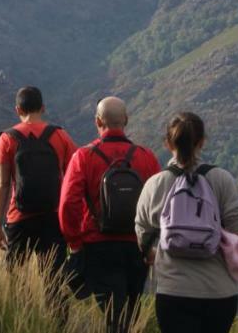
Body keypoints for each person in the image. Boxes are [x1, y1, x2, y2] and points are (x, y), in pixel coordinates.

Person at [134, 112, 238, 333]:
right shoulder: (221, 179)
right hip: (219, 293)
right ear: (202, 142)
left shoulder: (155, 184)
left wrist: (155, 256)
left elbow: (143, 236)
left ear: (167, 143)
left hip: (173, 291)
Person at [59, 96, 162, 333]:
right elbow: (159, 204)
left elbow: (68, 203)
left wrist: (74, 243)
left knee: (113, 316)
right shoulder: (146, 157)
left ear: (97, 121)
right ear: (126, 120)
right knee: (131, 313)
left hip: (98, 246)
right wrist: (150, 244)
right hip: (137, 248)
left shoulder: (84, 157)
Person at [0, 85, 77, 271]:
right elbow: (74, 177)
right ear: (43, 108)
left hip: (19, 217)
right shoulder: (60, 135)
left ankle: (17, 301)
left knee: (15, 278)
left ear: (18, 110)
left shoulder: (7, 138)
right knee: (53, 281)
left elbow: (2, 183)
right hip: (53, 217)